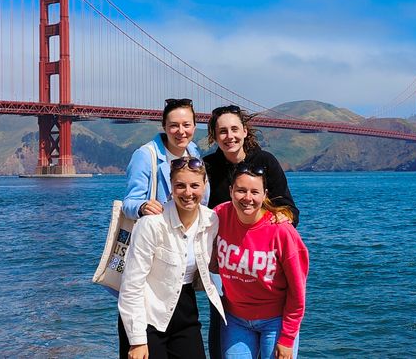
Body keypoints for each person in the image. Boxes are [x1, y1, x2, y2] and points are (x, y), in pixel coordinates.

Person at [203, 105, 300, 358]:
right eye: (222, 131)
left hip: (260, 260)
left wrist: (280, 223)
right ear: (214, 136)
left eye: (235, 129)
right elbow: (198, 211)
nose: (230, 136)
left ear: (245, 131)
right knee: (219, 329)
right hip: (224, 262)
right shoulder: (208, 167)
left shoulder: (265, 162)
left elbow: (290, 210)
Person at [118, 98, 210, 357]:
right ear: (164, 126)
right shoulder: (145, 155)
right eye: (174, 125)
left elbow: (202, 201)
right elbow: (129, 202)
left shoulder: (193, 152)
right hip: (153, 261)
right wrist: (143, 207)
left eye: (187, 125)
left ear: (195, 126)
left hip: (181, 281)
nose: (181, 131)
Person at [118, 157, 225, 359]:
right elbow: (131, 285)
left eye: (195, 186)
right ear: (171, 187)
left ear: (205, 185)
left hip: (185, 310)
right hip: (146, 315)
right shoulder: (151, 225)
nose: (188, 193)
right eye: (180, 186)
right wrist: (137, 340)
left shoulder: (211, 220)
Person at [215, 166, 308, 359]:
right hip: (235, 319)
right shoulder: (220, 215)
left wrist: (287, 338)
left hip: (275, 321)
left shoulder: (281, 231)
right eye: (241, 190)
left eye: (254, 192)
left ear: (265, 195)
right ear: (231, 191)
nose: (247, 198)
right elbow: (191, 222)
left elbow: (297, 290)